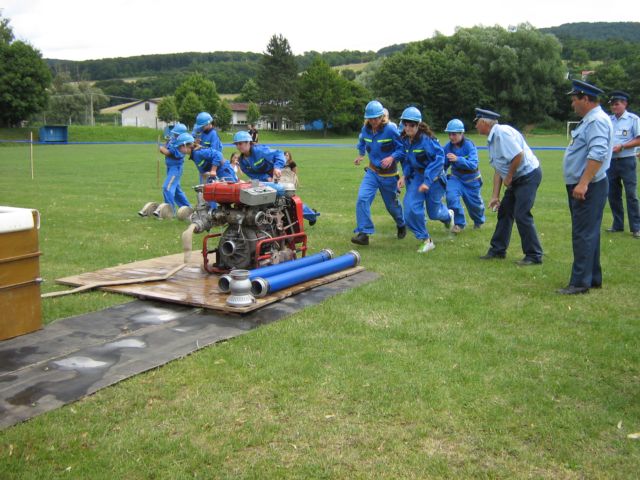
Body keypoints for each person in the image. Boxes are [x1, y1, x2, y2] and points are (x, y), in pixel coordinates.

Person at [559, 80, 613, 295]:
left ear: (586, 99)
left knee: (582, 234)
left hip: (588, 185)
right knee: (589, 233)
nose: (573, 104)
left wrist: (583, 183)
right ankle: (593, 278)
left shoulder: (596, 121)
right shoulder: (591, 120)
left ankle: (580, 282)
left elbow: (598, 153)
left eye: (575, 100)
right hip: (587, 184)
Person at [475, 108, 543, 265]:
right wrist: (495, 196)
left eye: (477, 122)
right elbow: (499, 169)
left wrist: (510, 176)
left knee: (522, 213)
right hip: (517, 178)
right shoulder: (493, 138)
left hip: (528, 175)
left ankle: (534, 255)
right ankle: (498, 250)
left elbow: (518, 155)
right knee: (505, 211)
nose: (475, 126)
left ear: (484, 122)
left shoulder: (502, 133)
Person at [396, 106, 454, 253]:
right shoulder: (406, 140)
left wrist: (427, 181)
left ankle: (448, 216)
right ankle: (426, 239)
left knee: (433, 213)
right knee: (409, 209)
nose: (408, 128)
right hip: (416, 177)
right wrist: (404, 175)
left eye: (412, 125)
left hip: (434, 178)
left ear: (418, 125)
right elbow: (408, 161)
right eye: (405, 124)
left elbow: (439, 160)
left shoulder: (427, 140)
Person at [233, 131, 320, 225]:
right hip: (264, 181)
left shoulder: (260, 151)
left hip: (278, 176)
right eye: (236, 144)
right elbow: (252, 175)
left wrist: (277, 167)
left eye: (240, 143)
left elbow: (279, 154)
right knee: (268, 202)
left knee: (289, 200)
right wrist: (266, 178)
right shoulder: (242, 161)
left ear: (248, 142)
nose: (238, 146)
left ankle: (312, 215)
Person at [352, 100, 406, 246]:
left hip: (389, 176)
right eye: (370, 118)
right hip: (372, 172)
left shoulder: (391, 129)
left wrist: (392, 157)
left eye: (376, 118)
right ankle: (364, 233)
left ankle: (401, 223)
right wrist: (361, 154)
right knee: (362, 198)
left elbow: (402, 149)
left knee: (392, 206)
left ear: (382, 117)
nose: (373, 121)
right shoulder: (365, 130)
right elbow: (362, 141)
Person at [605, 91, 640, 238]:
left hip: (627, 160)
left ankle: (636, 228)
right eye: (612, 105)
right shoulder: (608, 120)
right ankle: (617, 225)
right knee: (613, 194)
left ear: (625, 104)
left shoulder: (633, 119)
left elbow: (639, 139)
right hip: (611, 162)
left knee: (631, 194)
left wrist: (623, 146)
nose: (614, 107)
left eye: (617, 104)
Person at [443, 118, 485, 233]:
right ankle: (459, 224)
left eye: (454, 134)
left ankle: (478, 221)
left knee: (475, 206)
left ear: (462, 133)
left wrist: (458, 159)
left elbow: (473, 164)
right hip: (456, 178)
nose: (451, 137)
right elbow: (443, 165)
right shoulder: (447, 147)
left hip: (472, 180)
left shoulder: (469, 145)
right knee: (451, 197)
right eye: (449, 134)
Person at [154, 132, 195, 218]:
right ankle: (187, 208)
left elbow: (167, 152)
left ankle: (170, 211)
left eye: (176, 135)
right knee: (176, 191)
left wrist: (162, 148)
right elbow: (167, 146)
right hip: (170, 168)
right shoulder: (177, 144)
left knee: (167, 188)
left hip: (175, 169)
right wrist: (167, 142)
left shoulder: (179, 152)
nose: (175, 136)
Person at [191, 112, 223, 183]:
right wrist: (195, 142)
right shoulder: (200, 130)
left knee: (211, 185)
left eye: (203, 126)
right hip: (203, 164)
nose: (201, 128)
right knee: (202, 185)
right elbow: (191, 139)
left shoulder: (214, 135)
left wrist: (201, 147)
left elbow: (215, 152)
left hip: (212, 165)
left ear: (209, 123)